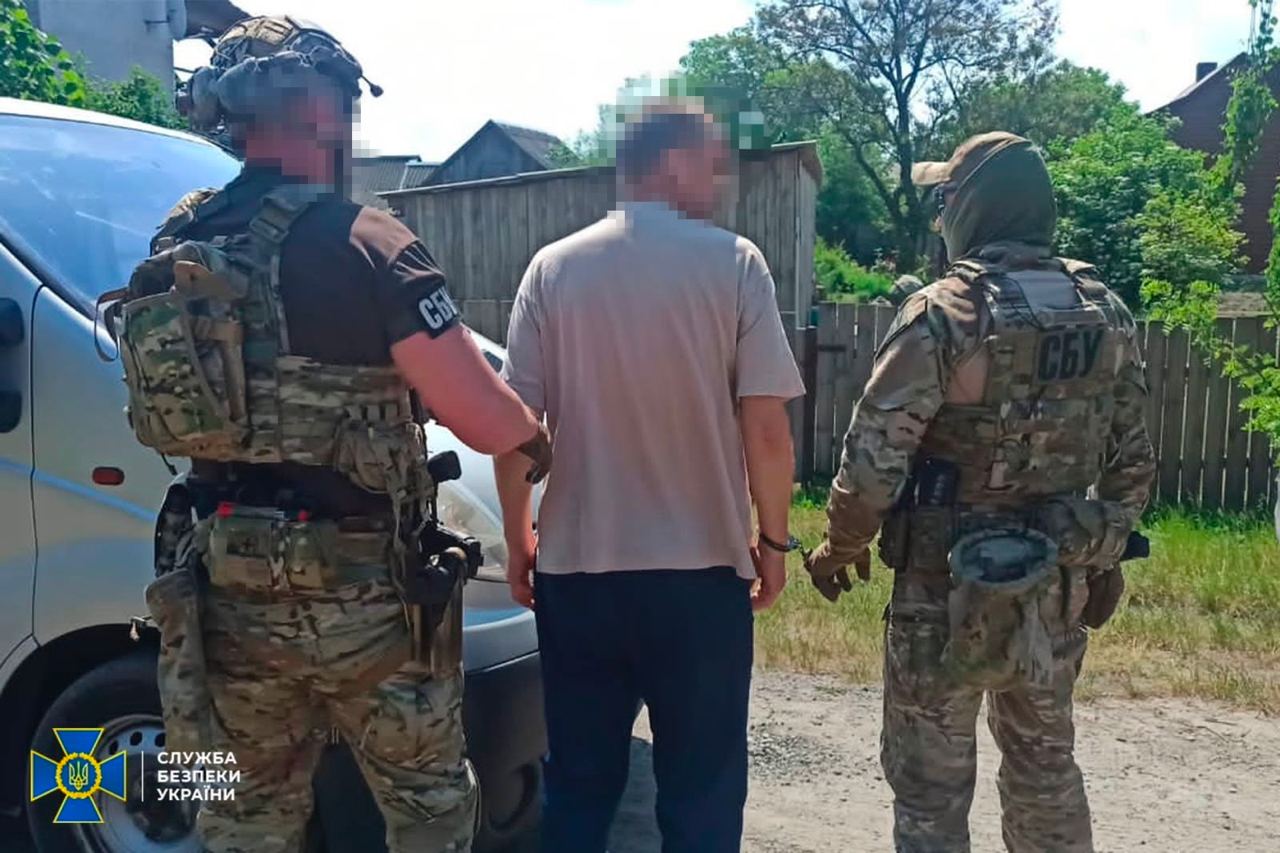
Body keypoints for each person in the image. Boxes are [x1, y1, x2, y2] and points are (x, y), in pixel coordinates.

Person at [114, 17, 549, 853]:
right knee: (427, 804)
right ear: (319, 109)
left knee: (241, 816)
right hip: (369, 602)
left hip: (223, 592)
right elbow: (483, 418)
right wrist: (539, 435)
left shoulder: (179, 241)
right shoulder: (369, 242)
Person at [803, 132, 1156, 853]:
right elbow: (1134, 461)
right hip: (1054, 585)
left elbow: (874, 460)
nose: (939, 215)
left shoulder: (945, 314)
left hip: (940, 590)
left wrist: (839, 547)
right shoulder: (1104, 311)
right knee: (1044, 769)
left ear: (970, 206)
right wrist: (1104, 553)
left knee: (930, 790)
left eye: (944, 199)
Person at [494, 98, 805, 853]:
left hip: (579, 575)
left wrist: (518, 539)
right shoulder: (735, 263)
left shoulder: (552, 269)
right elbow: (767, 429)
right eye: (712, 163)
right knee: (702, 791)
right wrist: (772, 543)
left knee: (578, 785)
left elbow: (515, 430)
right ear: (669, 162)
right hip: (700, 579)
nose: (721, 180)